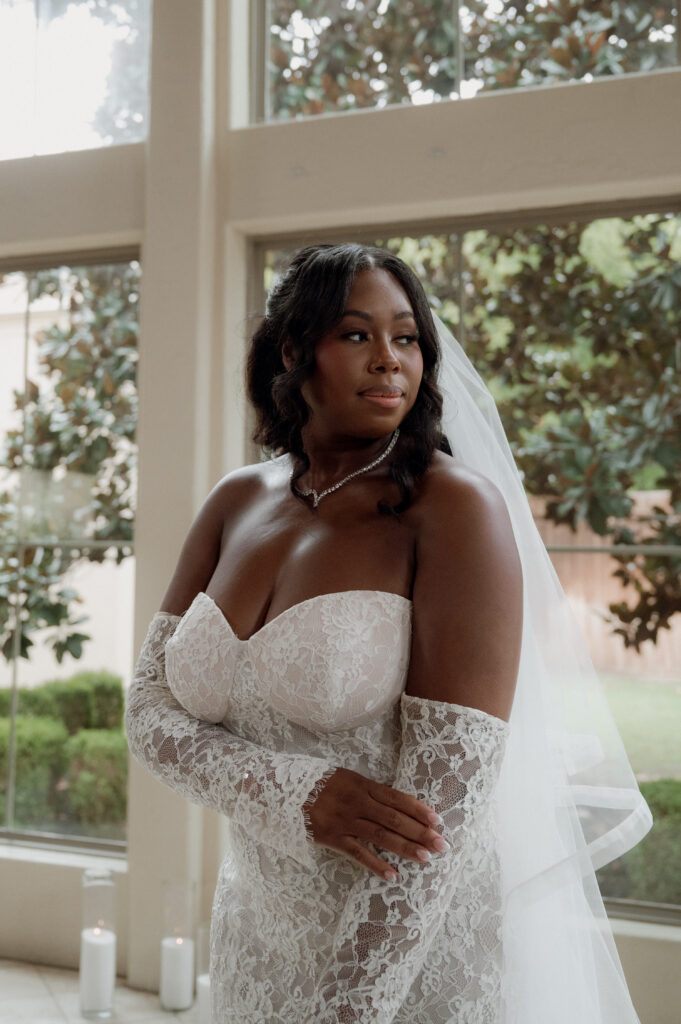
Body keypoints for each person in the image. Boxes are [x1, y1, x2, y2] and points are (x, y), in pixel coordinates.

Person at [125, 244, 651, 1023]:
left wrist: (350, 1008)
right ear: (293, 349)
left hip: (404, 952)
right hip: (254, 940)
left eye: (405, 338)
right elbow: (148, 714)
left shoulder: (452, 510)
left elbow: (447, 806)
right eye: (355, 335)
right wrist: (298, 795)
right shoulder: (235, 501)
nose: (387, 361)